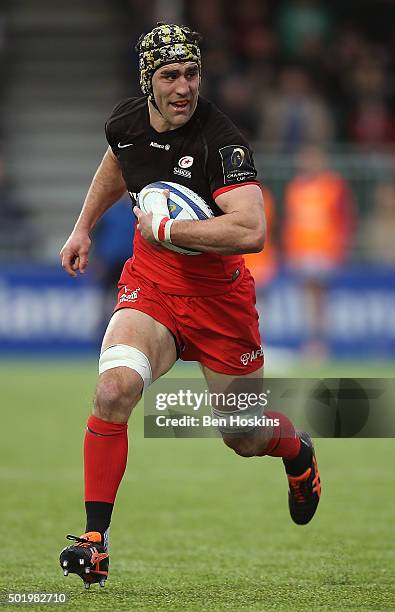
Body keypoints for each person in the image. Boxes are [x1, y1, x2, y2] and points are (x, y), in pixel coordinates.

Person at [59, 23, 321, 589]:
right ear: (148, 83)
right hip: (152, 287)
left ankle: (297, 450)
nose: (184, 88)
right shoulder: (127, 123)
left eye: (192, 74)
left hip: (220, 303)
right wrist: (83, 226)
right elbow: (117, 162)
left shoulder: (220, 142)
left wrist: (172, 226)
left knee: (242, 435)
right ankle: (95, 540)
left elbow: (252, 231)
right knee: (113, 389)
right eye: (170, 76)